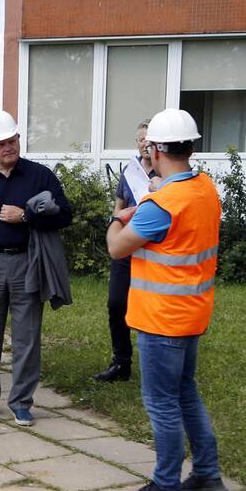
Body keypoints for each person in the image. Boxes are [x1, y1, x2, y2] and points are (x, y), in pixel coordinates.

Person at [107, 109, 227, 491]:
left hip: (161, 319)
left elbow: (117, 247)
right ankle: (207, 475)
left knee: (162, 402)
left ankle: (165, 487)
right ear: (190, 147)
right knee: (186, 394)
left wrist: (118, 216)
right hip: (192, 312)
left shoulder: (162, 203)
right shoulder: (205, 188)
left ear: (156, 150)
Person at [0, 110, 73, 427]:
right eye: (1, 143)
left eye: (12, 140)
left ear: (19, 139)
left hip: (27, 261)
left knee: (27, 336)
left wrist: (26, 216)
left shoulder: (40, 176)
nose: (8, 147)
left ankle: (21, 401)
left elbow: (66, 215)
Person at [93, 120, 159, 382]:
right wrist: (117, 225)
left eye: (149, 139)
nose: (145, 143)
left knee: (150, 308)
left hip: (153, 252)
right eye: (140, 139)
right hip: (127, 248)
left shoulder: (166, 176)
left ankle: (154, 365)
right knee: (116, 304)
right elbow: (118, 206)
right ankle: (121, 363)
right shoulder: (129, 172)